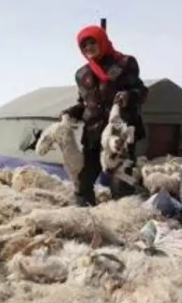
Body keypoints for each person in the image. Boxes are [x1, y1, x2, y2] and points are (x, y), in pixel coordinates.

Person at [61, 25, 149, 207]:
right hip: (93, 134)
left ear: (102, 41)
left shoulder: (124, 64)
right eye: (84, 46)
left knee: (120, 182)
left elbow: (141, 91)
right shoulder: (82, 74)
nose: (88, 48)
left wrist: (128, 96)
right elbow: (85, 104)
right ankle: (87, 220)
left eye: (92, 42)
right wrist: (71, 112)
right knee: (83, 181)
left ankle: (123, 222)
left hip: (119, 134)